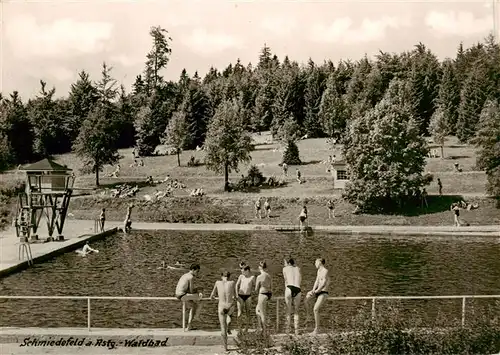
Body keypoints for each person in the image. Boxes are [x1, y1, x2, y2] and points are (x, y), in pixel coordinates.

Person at [210, 271, 236, 351]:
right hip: (230, 305)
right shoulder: (232, 283)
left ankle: (225, 348)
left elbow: (212, 296)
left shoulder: (217, 282)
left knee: (222, 328)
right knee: (230, 313)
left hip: (221, 306)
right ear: (229, 276)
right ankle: (229, 320)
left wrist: (215, 297)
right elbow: (235, 296)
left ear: (222, 276)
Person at [305, 258, 330, 335]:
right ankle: (308, 316)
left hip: (323, 292)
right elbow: (317, 281)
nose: (315, 263)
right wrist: (313, 290)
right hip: (317, 291)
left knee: (315, 309)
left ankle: (317, 329)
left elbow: (323, 284)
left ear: (319, 262)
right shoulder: (318, 271)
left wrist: (316, 291)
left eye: (315, 262)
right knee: (306, 299)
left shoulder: (325, 271)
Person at [175, 264, 204, 331]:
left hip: (178, 294)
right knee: (201, 297)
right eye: (197, 271)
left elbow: (187, 289)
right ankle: (197, 316)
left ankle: (189, 325)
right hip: (182, 295)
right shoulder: (191, 277)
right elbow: (191, 291)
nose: (197, 273)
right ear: (193, 270)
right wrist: (199, 290)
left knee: (193, 306)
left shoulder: (185, 275)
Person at [283, 258, 302, 335]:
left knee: (288, 310)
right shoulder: (298, 268)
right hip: (298, 288)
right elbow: (300, 280)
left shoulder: (285, 268)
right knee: (296, 310)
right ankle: (296, 330)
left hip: (289, 287)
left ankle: (288, 330)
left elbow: (286, 280)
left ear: (287, 263)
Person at [255, 261, 272, 333]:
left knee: (262, 313)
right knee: (257, 310)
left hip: (262, 293)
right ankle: (260, 327)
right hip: (268, 294)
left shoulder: (259, 277)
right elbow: (271, 287)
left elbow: (256, 288)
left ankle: (264, 330)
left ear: (260, 267)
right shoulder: (269, 276)